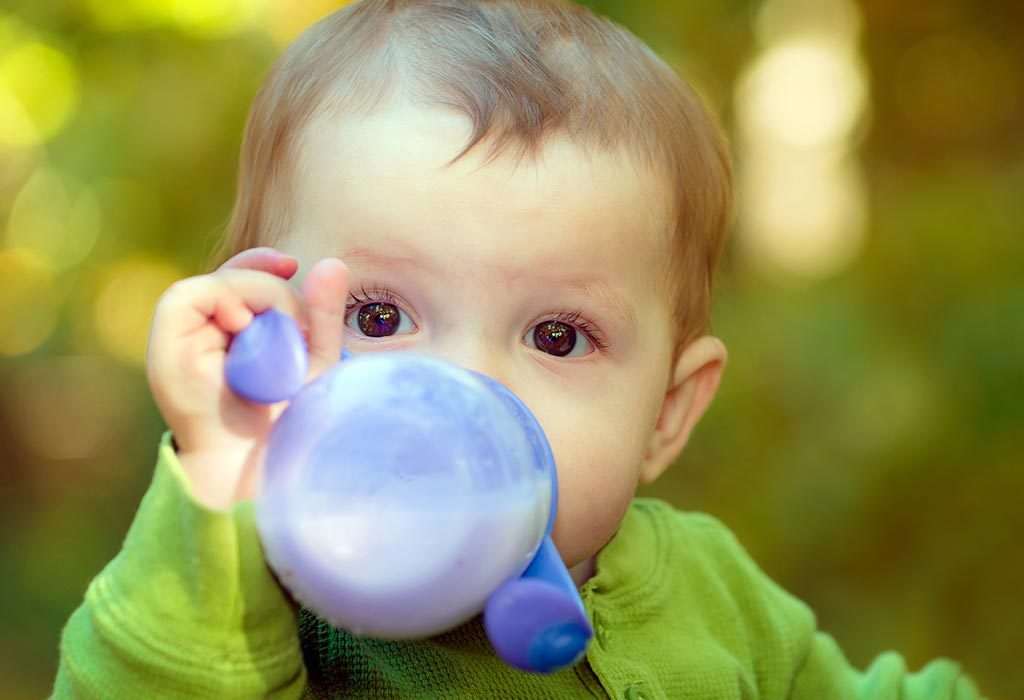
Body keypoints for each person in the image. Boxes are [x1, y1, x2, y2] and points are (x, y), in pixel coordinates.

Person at [52, 0, 985, 697]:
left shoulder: (715, 598)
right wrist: (223, 490)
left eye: (557, 335)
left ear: (666, 411)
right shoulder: (271, 609)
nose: (464, 388)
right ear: (264, 338)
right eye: (379, 320)